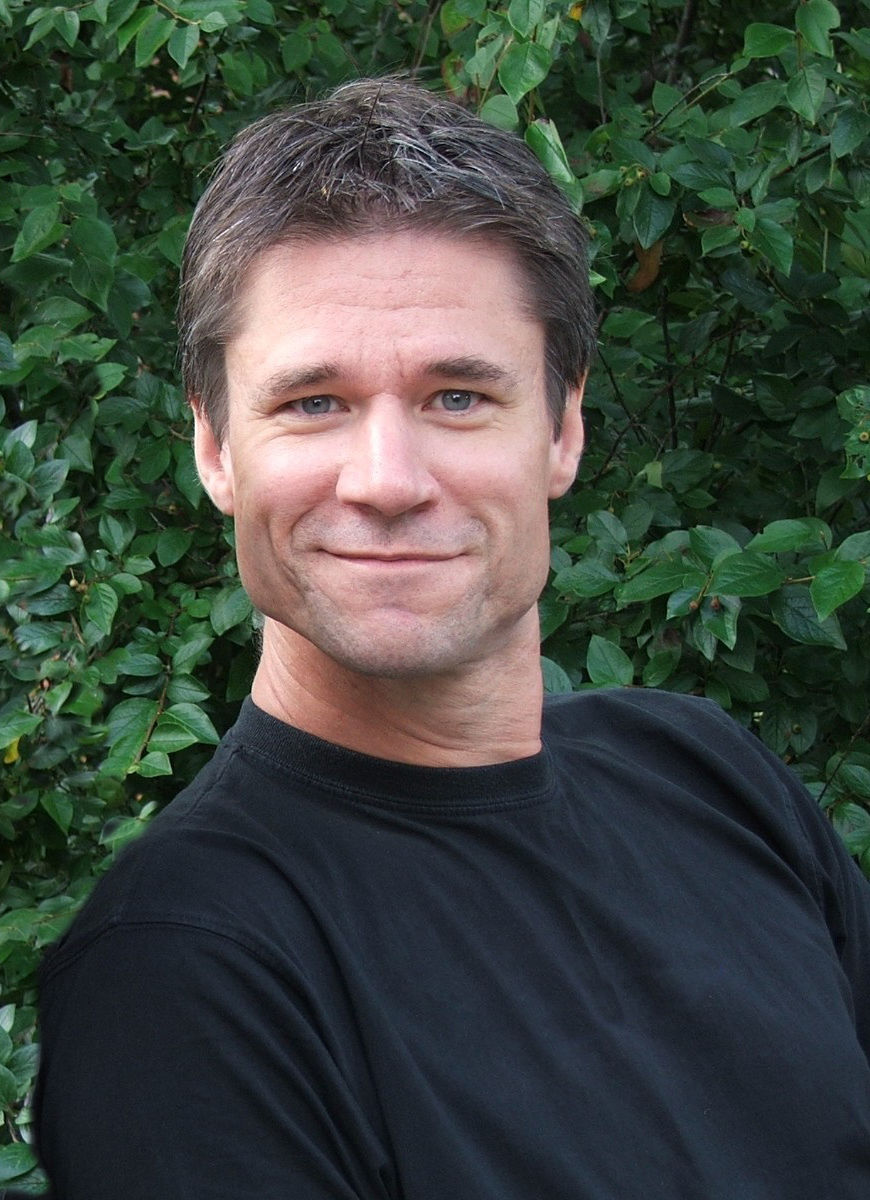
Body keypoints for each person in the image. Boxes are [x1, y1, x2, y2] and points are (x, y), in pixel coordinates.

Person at [31, 78, 870, 1200]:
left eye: (459, 397)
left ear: (563, 429)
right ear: (216, 449)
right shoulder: (186, 965)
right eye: (314, 402)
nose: (386, 481)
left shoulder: (708, 777)